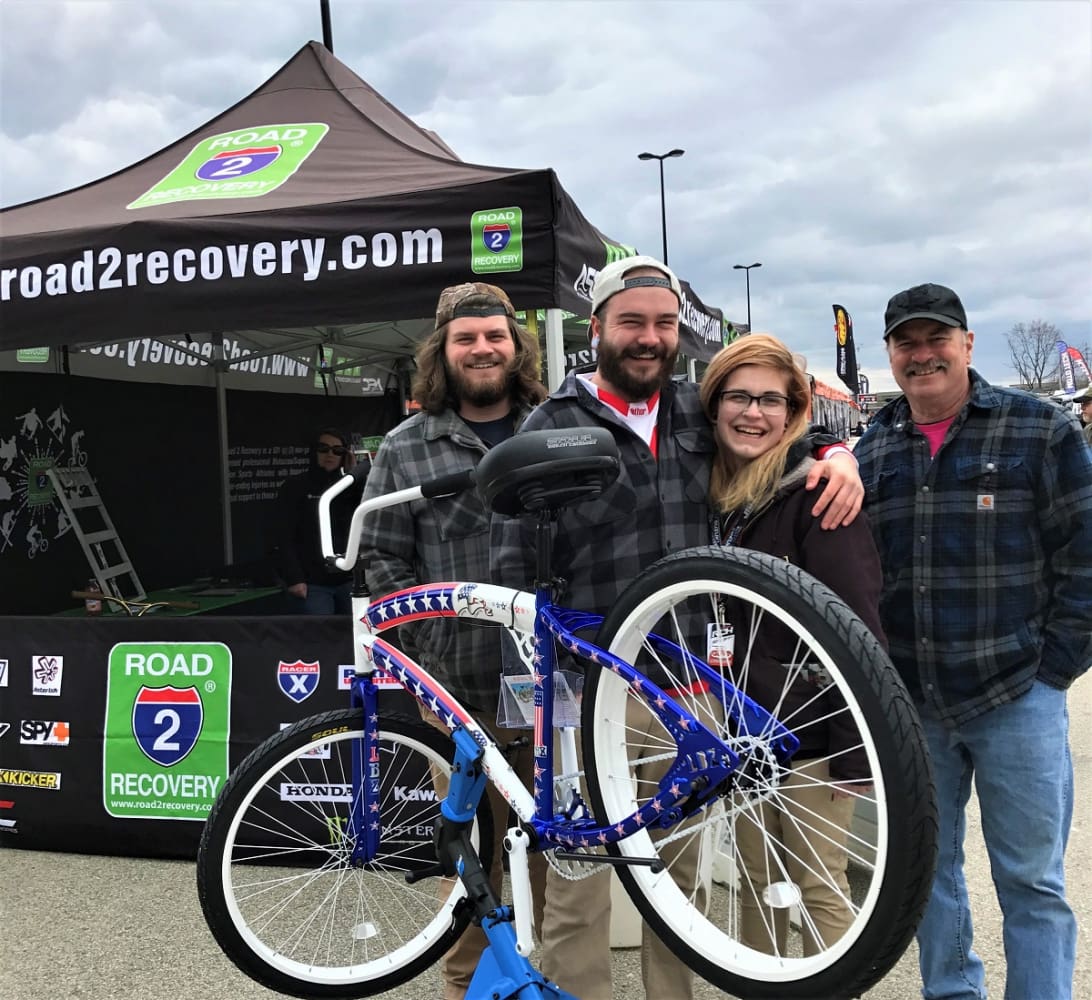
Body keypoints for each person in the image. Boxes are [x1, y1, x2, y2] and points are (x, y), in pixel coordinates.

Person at [492, 255, 865, 999]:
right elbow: (508, 567)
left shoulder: (698, 411)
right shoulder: (551, 423)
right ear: (595, 327)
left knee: (682, 881)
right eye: (632, 322)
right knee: (579, 885)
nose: (649, 337)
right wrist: (538, 694)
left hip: (689, 691)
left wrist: (837, 452)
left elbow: (783, 429)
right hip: (584, 691)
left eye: (664, 324)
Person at [358, 282, 616, 1000]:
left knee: (562, 862)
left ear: (517, 343)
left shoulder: (557, 425)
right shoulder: (406, 448)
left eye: (494, 336)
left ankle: (558, 987)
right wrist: (429, 643)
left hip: (556, 695)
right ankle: (466, 987)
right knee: (470, 866)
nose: (482, 348)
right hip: (460, 698)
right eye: (465, 338)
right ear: (442, 350)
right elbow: (381, 558)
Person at [855, 282, 1092, 1000]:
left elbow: (1083, 554)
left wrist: (1055, 668)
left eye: (936, 339)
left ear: (966, 344)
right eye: (906, 342)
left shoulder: (1040, 430)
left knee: (1031, 880)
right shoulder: (873, 447)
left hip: (1016, 694)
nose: (922, 355)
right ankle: (952, 992)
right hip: (915, 703)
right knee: (931, 872)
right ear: (890, 353)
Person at [698, 333, 885, 957]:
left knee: (819, 884)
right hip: (741, 728)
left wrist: (859, 756)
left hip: (813, 731)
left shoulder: (818, 494)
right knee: (758, 885)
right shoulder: (714, 489)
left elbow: (860, 628)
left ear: (794, 411)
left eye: (771, 401)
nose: (754, 413)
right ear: (714, 402)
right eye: (739, 396)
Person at [271, 427, 363, 615]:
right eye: (323, 448)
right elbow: (282, 534)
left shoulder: (349, 486)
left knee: (357, 634)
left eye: (337, 450)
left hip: (347, 579)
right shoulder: (295, 486)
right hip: (311, 583)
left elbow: (366, 518)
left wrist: (355, 473)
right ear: (314, 451)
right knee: (318, 637)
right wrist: (294, 578)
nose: (330, 454)